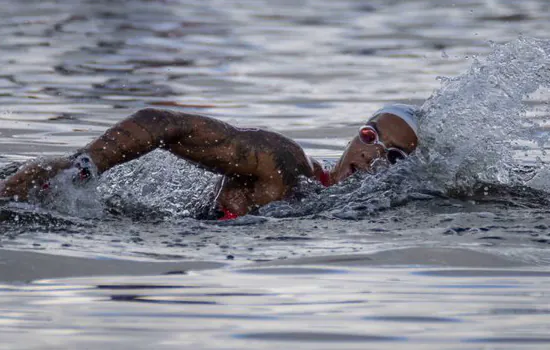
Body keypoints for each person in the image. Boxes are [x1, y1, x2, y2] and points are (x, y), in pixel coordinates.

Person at [0, 104, 419, 219]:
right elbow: (160, 121)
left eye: (394, 157)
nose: (372, 157)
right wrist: (82, 169)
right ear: (355, 135)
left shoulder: (352, 213)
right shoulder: (284, 163)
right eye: (370, 137)